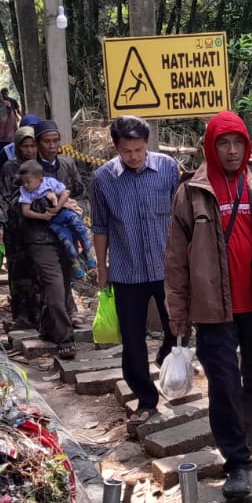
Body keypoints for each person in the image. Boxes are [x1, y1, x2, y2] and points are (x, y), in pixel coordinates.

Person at [164, 110, 252, 499]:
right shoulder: (190, 192)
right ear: (209, 147)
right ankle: (237, 465)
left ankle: (247, 421)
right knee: (224, 384)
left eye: (238, 142)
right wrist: (177, 315)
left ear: (247, 144)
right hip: (212, 307)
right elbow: (176, 259)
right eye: (222, 143)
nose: (231, 151)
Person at [90, 115, 181, 426]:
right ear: (116, 148)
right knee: (132, 338)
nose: (134, 157)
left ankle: (167, 357)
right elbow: (100, 226)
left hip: (166, 265)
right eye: (127, 151)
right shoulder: (103, 179)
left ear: (148, 146)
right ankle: (145, 398)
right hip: (127, 270)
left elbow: (179, 216)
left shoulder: (168, 168)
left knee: (177, 326)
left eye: (139, 150)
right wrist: (101, 268)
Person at [0, 127, 75, 359]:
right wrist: (0, 225)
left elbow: (80, 192)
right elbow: (8, 199)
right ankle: (64, 337)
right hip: (35, 237)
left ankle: (48, 326)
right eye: (44, 142)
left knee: (62, 284)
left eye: (55, 141)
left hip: (65, 236)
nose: (50, 146)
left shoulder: (66, 165)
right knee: (51, 283)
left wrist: (75, 207)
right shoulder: (21, 169)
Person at [16, 160, 97, 279]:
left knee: (79, 227)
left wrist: (57, 207)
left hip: (64, 212)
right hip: (53, 221)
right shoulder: (25, 192)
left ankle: (88, 252)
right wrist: (43, 216)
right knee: (65, 240)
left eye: (28, 182)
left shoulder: (50, 183)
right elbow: (25, 211)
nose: (26, 185)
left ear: (40, 180)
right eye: (23, 183)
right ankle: (76, 264)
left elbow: (66, 193)